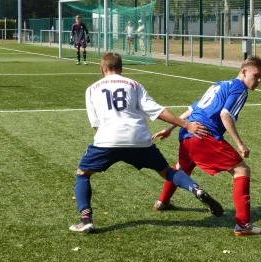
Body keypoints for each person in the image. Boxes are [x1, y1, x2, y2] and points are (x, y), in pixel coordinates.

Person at [69, 52, 223, 233]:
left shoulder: (92, 89)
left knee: (83, 174)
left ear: (102, 69)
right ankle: (195, 189)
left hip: (107, 139)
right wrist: (186, 124)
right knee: (167, 171)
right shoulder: (133, 85)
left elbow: (96, 125)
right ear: (121, 68)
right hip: (139, 139)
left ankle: (86, 219)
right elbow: (158, 111)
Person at [152, 56, 261, 236]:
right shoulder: (240, 89)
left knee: (181, 169)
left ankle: (162, 202)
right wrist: (240, 144)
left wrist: (170, 128)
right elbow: (226, 115)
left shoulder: (220, 84)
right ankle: (243, 225)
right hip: (204, 135)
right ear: (244, 71)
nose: (259, 80)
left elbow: (193, 109)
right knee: (242, 171)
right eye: (256, 76)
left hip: (186, 133)